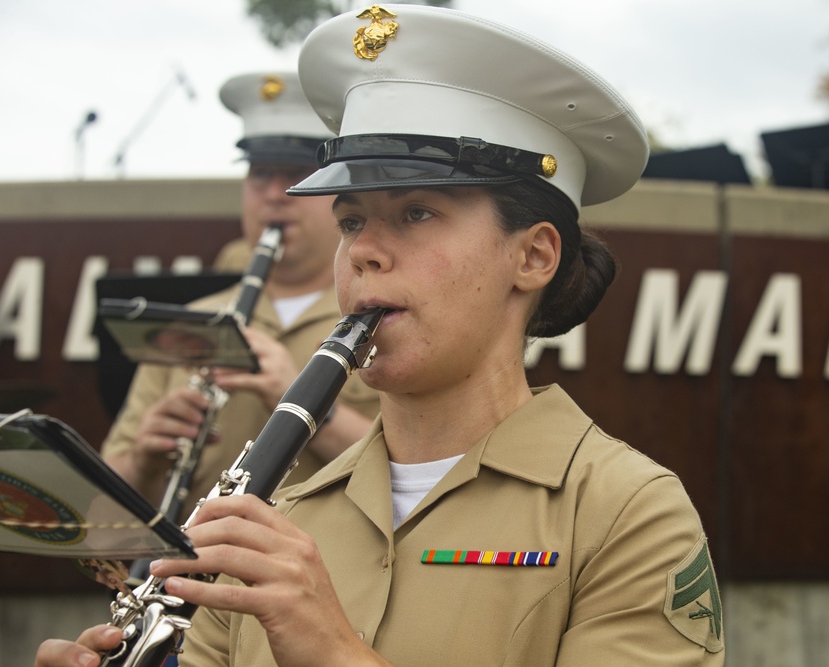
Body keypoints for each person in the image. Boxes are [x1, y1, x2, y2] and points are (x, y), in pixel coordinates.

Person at [38, 5, 724, 665]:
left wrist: (335, 651)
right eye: (351, 221)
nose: (364, 251)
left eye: (417, 213)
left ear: (534, 256)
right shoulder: (268, 523)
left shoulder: (627, 514)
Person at [101, 70, 380, 516]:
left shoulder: (381, 314)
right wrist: (144, 459)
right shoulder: (192, 320)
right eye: (259, 175)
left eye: (295, 175)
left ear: (339, 188)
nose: (273, 195)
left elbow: (415, 473)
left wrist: (306, 406)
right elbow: (103, 509)